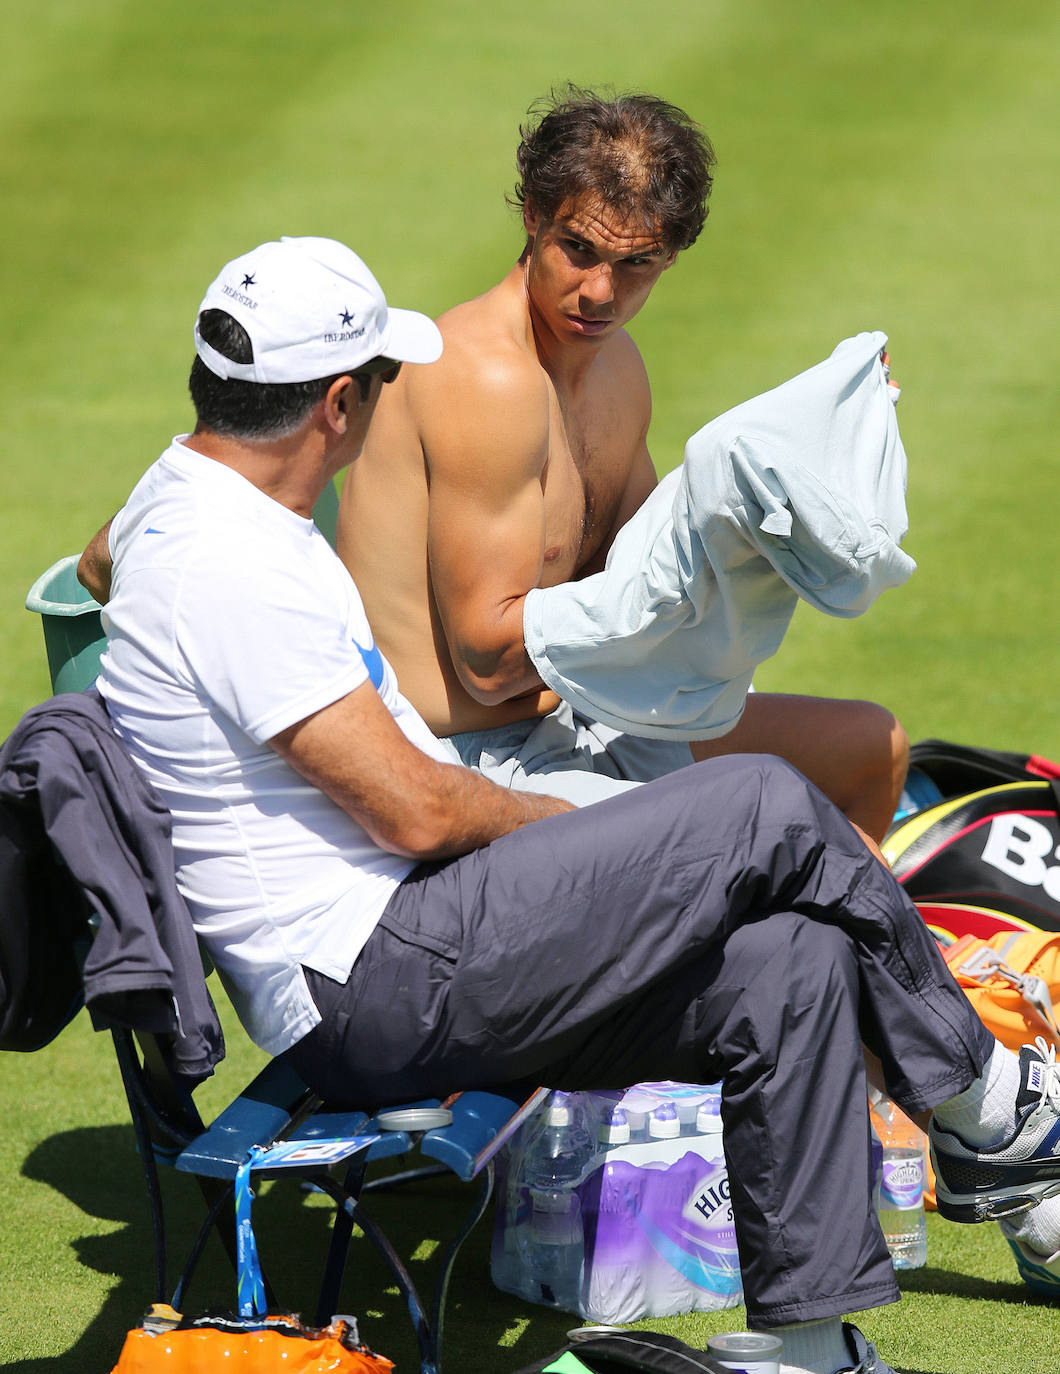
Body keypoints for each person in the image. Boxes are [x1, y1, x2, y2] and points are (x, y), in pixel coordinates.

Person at [83, 235, 1060, 1374]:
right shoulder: (227, 565)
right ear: (338, 404)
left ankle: (809, 1348)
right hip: (375, 980)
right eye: (384, 380)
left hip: (407, 941)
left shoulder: (180, 494)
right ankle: (993, 1111)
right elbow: (413, 812)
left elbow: (101, 564)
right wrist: (587, 840)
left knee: (785, 959)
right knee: (755, 804)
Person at [335, 87, 908, 843]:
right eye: (580, 249)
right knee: (766, 828)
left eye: (638, 264)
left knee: (872, 747)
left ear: (670, 257)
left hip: (585, 718)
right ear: (534, 218)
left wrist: (797, 470)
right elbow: (493, 662)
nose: (601, 293)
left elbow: (647, 559)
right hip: (467, 762)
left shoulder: (616, 367)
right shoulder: (486, 377)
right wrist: (707, 580)